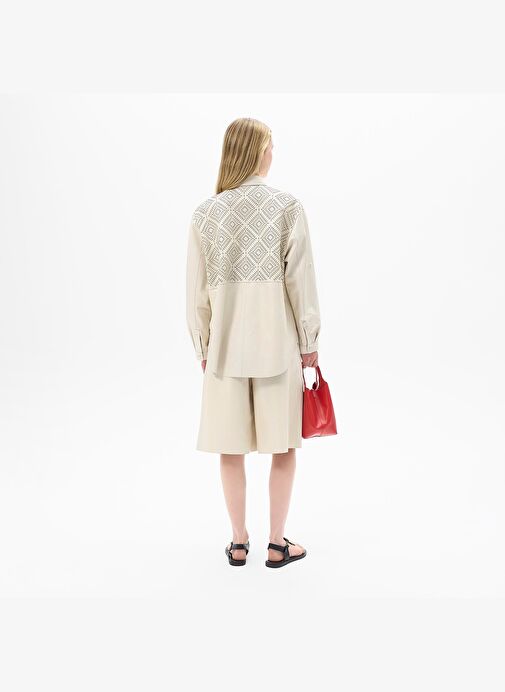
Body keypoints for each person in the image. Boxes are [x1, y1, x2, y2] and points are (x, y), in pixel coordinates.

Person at [185, 117, 321, 568]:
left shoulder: (205, 214)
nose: (273, 153)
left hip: (223, 353)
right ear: (260, 152)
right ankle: (277, 544)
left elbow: (196, 293)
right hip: (278, 348)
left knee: (230, 448)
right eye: (271, 145)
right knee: (283, 446)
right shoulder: (287, 207)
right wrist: (309, 342)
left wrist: (203, 347)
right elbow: (301, 282)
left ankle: (239, 541)